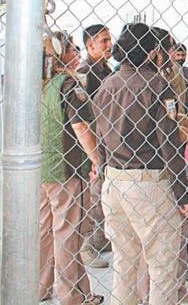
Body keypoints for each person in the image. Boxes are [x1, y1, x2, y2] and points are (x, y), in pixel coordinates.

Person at [93, 23, 188, 305]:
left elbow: (100, 139)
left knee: (124, 264)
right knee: (162, 268)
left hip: (114, 181)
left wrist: (102, 177)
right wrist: (183, 195)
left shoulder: (107, 85)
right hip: (149, 184)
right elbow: (170, 143)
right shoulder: (158, 85)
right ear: (152, 52)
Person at [39, 31, 103, 305]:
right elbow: (81, 126)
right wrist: (97, 159)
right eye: (70, 48)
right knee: (68, 234)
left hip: (42, 168)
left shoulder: (40, 86)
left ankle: (41, 287)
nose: (76, 52)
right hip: (66, 169)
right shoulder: (68, 85)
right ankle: (72, 295)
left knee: (45, 231)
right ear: (57, 55)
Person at [77, 25, 113, 268]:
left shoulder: (105, 69)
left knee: (101, 194)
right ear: (90, 45)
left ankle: (99, 238)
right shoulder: (85, 72)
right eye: (104, 41)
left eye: (109, 40)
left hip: (105, 138)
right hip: (92, 142)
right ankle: (86, 246)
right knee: (92, 196)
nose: (109, 45)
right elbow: (82, 117)